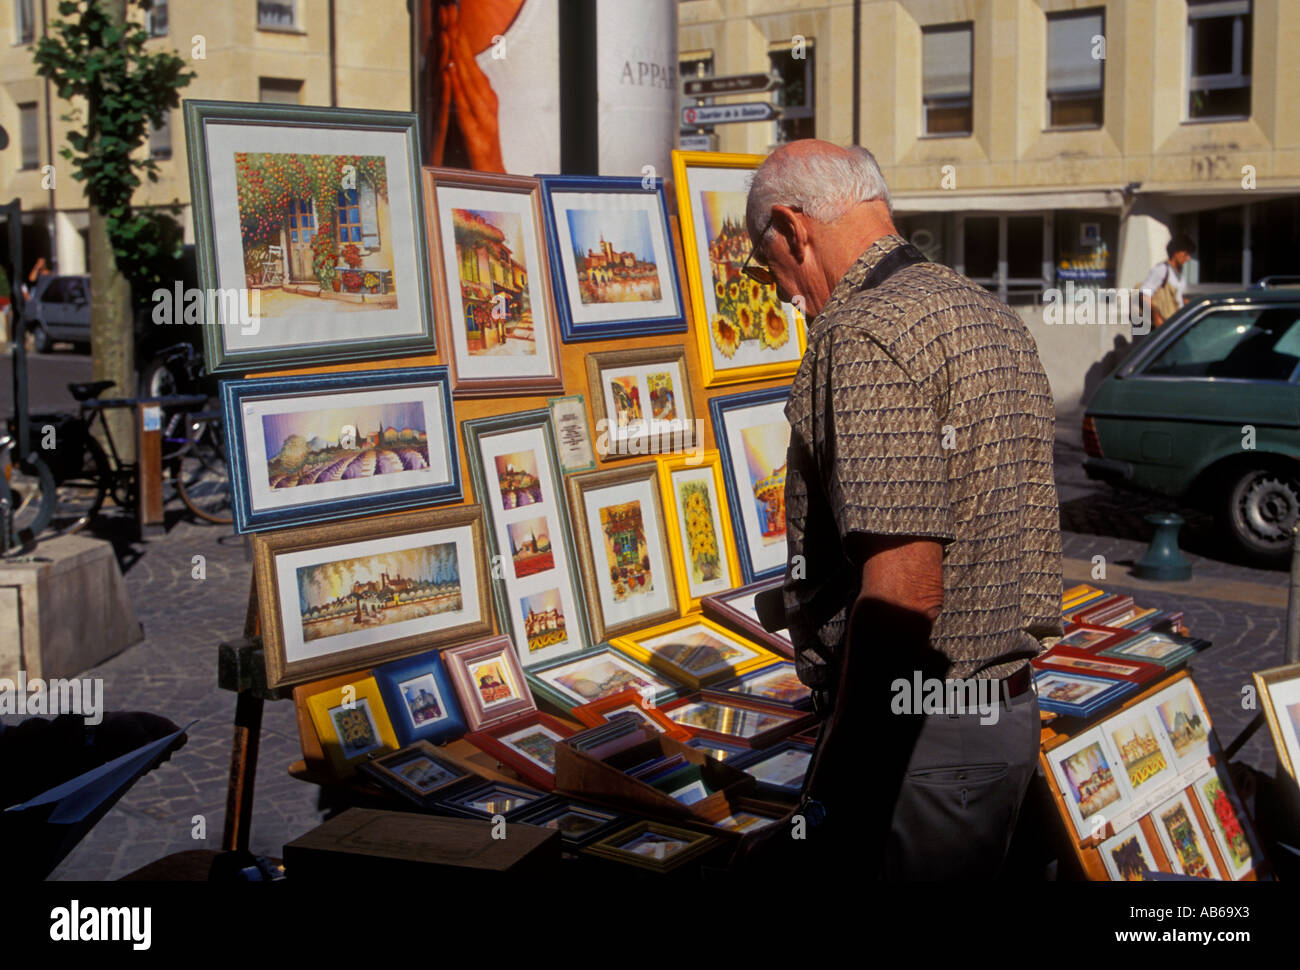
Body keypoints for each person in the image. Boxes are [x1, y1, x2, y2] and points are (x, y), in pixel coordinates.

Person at [738, 140, 1063, 880]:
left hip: (922, 741)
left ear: (794, 228)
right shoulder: (985, 311)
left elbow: (905, 592)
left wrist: (828, 801)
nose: (783, 292)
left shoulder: (859, 333)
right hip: (1001, 722)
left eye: (770, 267)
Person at [1139, 234, 1196, 328]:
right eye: (1186, 254)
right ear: (1175, 252)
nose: (1188, 258)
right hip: (1163, 326)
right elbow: (1143, 294)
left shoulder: (1180, 275)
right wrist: (1156, 315)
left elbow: (1174, 297)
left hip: (1175, 323)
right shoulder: (1162, 270)